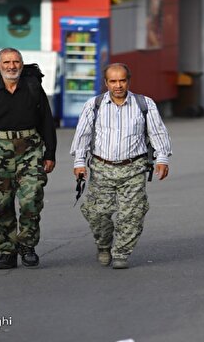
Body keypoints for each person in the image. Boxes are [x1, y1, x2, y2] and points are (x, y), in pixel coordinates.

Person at [70, 63, 172, 269]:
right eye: (113, 81)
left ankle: (121, 253)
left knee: (132, 214)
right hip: (101, 168)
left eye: (122, 80)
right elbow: (83, 135)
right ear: (106, 83)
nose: (118, 85)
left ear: (128, 81)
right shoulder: (94, 105)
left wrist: (162, 158)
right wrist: (79, 162)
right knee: (97, 213)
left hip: (134, 168)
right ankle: (104, 244)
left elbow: (158, 133)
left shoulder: (144, 104)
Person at [0, 48, 57, 269]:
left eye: (16, 61)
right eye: (6, 62)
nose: (11, 66)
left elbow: (46, 121)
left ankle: (27, 246)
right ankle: (7, 251)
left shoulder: (33, 88)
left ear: (22, 64)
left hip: (30, 148)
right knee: (1, 202)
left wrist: (50, 153)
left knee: (31, 198)